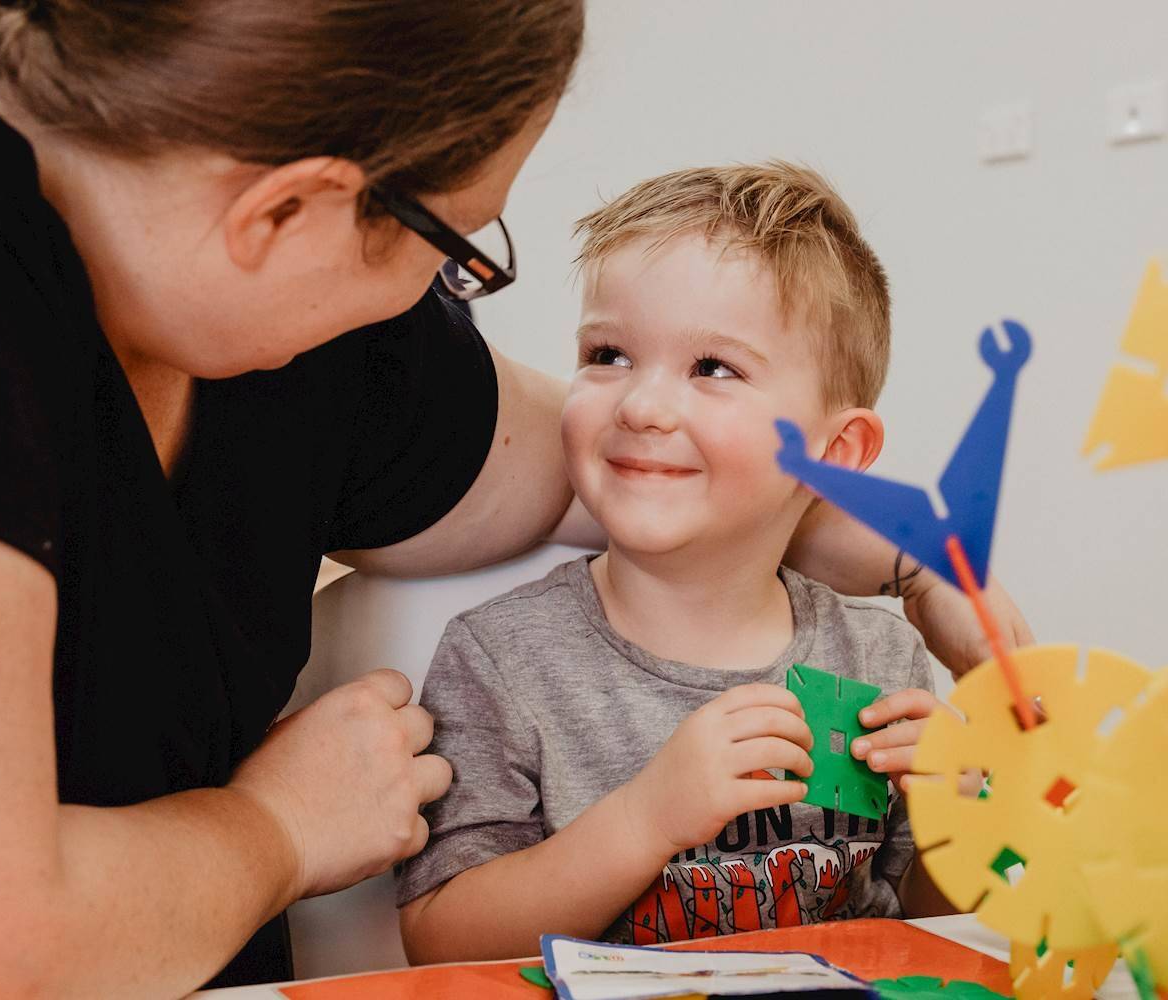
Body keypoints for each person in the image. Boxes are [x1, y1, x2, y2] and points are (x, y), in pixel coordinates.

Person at [0, 2, 1029, 993]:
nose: (438, 294)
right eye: (453, 246)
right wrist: (272, 831)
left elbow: (631, 474)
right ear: (285, 214)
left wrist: (921, 570)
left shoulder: (332, 361)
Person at [396, 164, 958, 963]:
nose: (640, 405)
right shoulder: (504, 659)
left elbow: (916, 932)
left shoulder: (882, 659)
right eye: (609, 353)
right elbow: (442, 944)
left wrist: (952, 832)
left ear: (834, 452)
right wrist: (648, 818)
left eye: (712, 368)